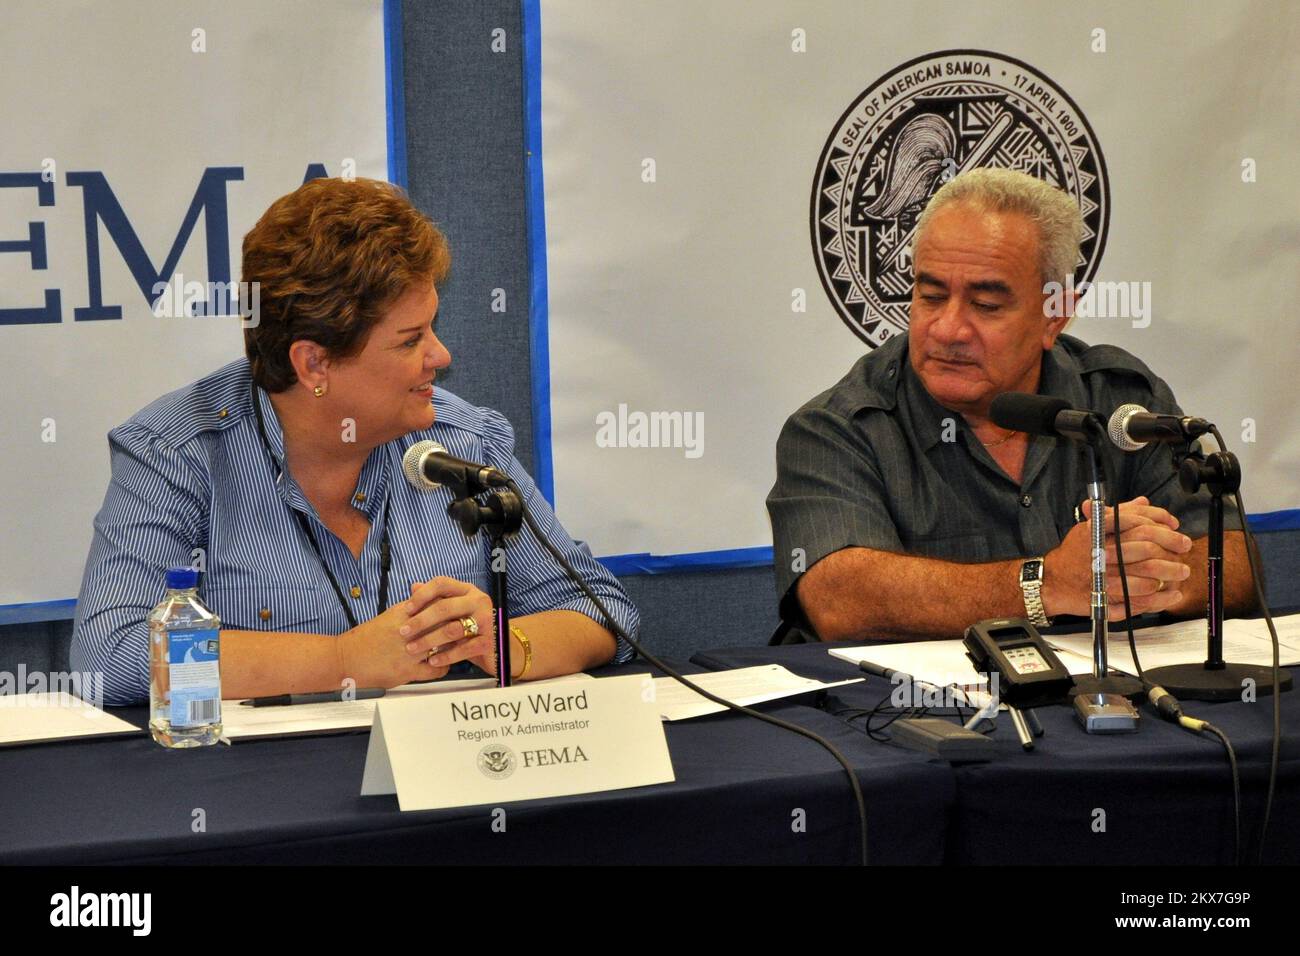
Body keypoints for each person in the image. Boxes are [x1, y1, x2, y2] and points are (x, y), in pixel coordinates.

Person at [72, 177, 637, 705]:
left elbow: (604, 613)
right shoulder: (177, 452)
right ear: (314, 363)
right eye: (411, 339)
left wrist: (503, 645)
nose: (442, 357)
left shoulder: (463, 443)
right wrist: (341, 659)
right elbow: (112, 658)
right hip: (261, 796)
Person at [767, 167, 1254, 643]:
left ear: (1054, 315)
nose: (947, 330)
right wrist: (1047, 585)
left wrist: (1144, 575)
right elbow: (838, 599)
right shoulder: (836, 428)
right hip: (914, 715)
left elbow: (1234, 562)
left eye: (986, 306)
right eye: (931, 295)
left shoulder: (1122, 402)